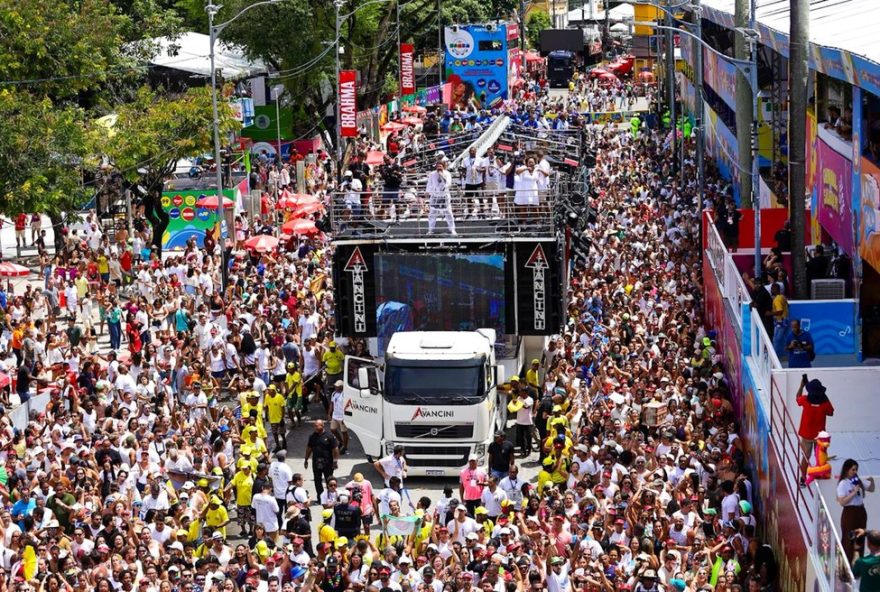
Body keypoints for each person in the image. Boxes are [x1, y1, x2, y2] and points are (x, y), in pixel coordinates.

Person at [796, 376, 834, 485]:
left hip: (806, 435)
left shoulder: (805, 400)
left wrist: (801, 386)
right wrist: (825, 398)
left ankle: (803, 479)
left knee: (805, 457)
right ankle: (821, 477)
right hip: (820, 437)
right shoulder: (825, 403)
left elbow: (797, 398)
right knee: (821, 457)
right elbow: (831, 412)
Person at [838, 459, 876, 562]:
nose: (855, 472)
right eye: (853, 469)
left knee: (860, 538)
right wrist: (854, 492)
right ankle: (846, 566)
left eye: (856, 470)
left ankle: (857, 566)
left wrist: (871, 480)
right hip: (850, 513)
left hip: (861, 511)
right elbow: (842, 502)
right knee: (849, 539)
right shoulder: (843, 483)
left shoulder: (857, 480)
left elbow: (872, 489)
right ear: (847, 470)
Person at [304, 419, 339, 499]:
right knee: (317, 480)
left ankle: (330, 497)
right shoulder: (312, 437)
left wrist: (335, 461)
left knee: (329, 480)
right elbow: (309, 448)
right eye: (314, 426)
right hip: (316, 462)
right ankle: (320, 497)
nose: (315, 427)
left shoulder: (330, 436)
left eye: (317, 426)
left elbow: (335, 449)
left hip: (328, 462)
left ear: (322, 426)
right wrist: (306, 460)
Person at [426, 159, 456, 236]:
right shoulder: (432, 174)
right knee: (432, 213)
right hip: (435, 196)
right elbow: (429, 184)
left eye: (440, 166)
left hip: (444, 195)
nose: (439, 167)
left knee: (448, 212)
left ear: (443, 166)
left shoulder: (447, 173)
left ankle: (452, 229)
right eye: (438, 166)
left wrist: (442, 176)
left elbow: (449, 183)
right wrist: (429, 192)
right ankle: (430, 229)